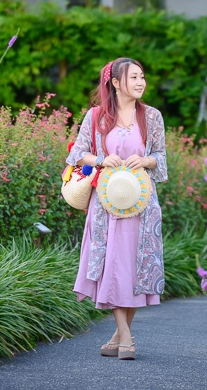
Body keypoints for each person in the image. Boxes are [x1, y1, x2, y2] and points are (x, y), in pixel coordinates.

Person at [65, 57, 167, 360]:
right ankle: (126, 338)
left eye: (142, 77)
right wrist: (99, 160)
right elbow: (77, 155)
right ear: (115, 82)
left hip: (142, 205)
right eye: (134, 77)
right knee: (112, 267)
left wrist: (146, 160)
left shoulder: (152, 117)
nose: (140, 82)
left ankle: (119, 337)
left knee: (134, 269)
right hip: (106, 205)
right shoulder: (96, 116)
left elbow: (161, 158)